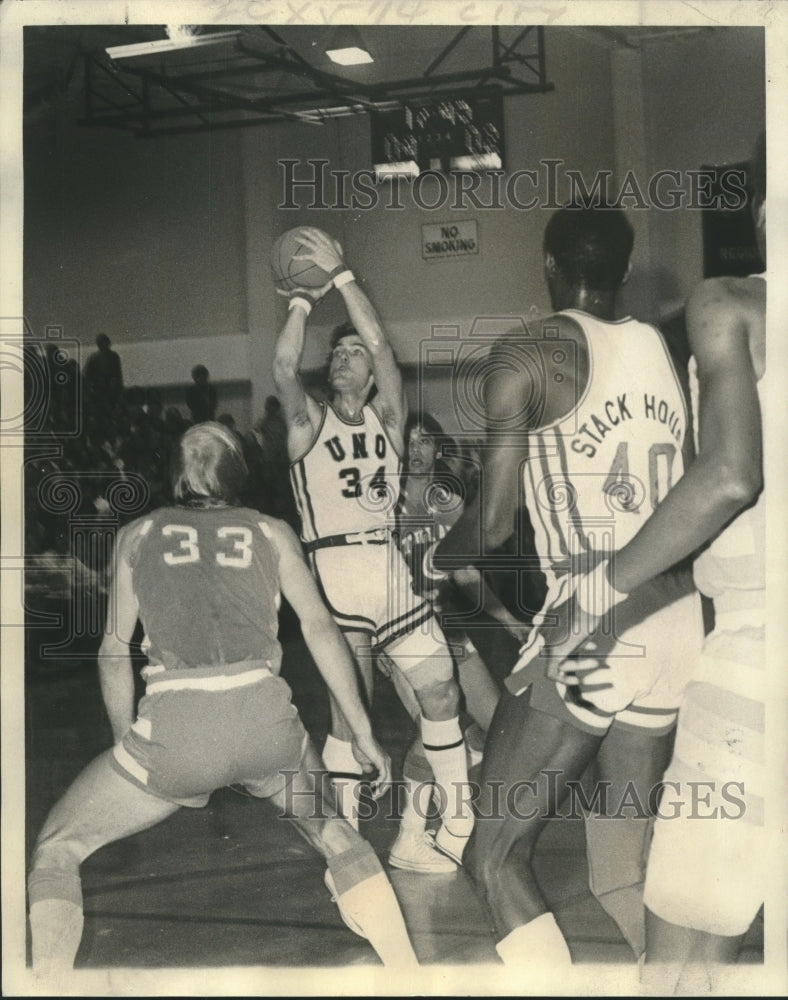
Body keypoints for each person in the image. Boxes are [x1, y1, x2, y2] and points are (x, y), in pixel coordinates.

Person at [26, 422, 419, 977]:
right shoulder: (272, 531)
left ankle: (45, 984)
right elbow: (321, 630)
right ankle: (409, 972)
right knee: (332, 830)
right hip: (265, 720)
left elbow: (113, 653)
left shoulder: (137, 535)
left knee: (57, 847)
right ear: (239, 475)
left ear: (173, 474)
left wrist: (128, 749)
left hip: (178, 727)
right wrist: (363, 733)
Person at [436, 204, 704, 966]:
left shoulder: (526, 352)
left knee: (492, 857)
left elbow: (493, 524)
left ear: (548, 266)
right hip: (675, 615)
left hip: (595, 618)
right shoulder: (661, 345)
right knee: (621, 867)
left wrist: (431, 553)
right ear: (625, 272)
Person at [540, 134, 769, 990]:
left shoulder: (729, 302)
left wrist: (595, 594)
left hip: (755, 645)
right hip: (698, 635)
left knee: (676, 963)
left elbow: (731, 476)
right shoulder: (656, 346)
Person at [272, 228, 475, 873]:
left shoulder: (389, 418)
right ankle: (352, 849)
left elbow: (385, 345)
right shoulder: (308, 421)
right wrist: (302, 300)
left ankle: (458, 818)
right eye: (337, 353)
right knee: (347, 715)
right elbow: (282, 369)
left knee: (442, 692)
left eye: (353, 352)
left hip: (389, 567)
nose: (345, 359)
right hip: (334, 569)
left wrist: (341, 278)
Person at [382, 413, 508, 870]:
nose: (416, 449)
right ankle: (411, 835)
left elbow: (465, 572)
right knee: (435, 728)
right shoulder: (382, 502)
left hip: (448, 631)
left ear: (438, 449)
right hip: (402, 635)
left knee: (497, 729)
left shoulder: (447, 500)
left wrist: (508, 618)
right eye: (409, 440)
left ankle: (453, 777)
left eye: (425, 440)